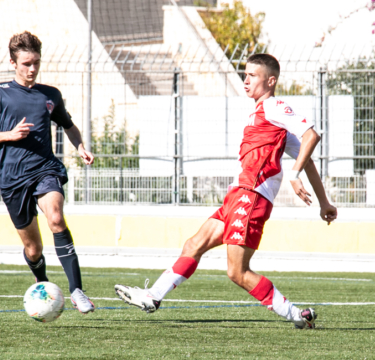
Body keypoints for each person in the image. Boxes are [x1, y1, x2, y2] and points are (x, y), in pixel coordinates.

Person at [115, 54, 338, 329]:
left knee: (237, 272)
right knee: (193, 245)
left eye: (252, 76)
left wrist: (293, 176)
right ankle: (153, 297)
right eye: (245, 75)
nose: (246, 80)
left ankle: (296, 315)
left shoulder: (274, 107)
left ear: (270, 81)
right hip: (238, 195)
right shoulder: (261, 114)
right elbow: (309, 160)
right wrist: (324, 202)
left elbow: (311, 136)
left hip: (252, 197)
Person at [0, 31, 95, 314]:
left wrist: (80, 146)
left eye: (36, 63)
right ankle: (43, 285)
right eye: (26, 63)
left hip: (45, 169)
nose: (32, 69)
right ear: (13, 62)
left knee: (56, 219)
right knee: (33, 250)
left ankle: (77, 290)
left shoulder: (50, 95)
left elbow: (68, 125)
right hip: (13, 180)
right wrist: (10, 135)